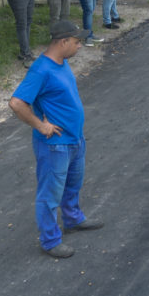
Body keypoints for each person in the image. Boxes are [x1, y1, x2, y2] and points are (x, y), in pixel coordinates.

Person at [8, 20, 104, 258]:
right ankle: (50, 241)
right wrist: (41, 126)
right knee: (50, 194)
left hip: (74, 140)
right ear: (63, 42)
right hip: (55, 146)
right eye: (76, 42)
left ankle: (73, 219)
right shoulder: (41, 70)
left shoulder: (60, 63)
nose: (79, 46)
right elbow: (17, 103)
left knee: (72, 184)